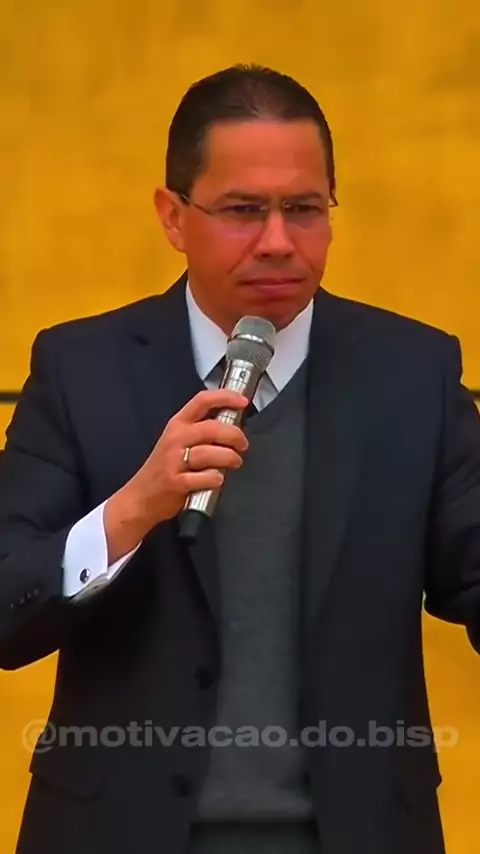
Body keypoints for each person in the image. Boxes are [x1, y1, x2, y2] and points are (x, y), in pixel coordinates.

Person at [1, 63, 479, 854]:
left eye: (305, 209)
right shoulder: (81, 370)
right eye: (243, 211)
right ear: (173, 216)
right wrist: (131, 511)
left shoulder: (412, 373)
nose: (279, 241)